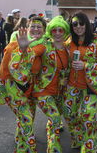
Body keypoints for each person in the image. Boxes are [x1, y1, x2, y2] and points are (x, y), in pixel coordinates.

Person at [16, 16, 70, 153]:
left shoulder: (68, 48)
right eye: (54, 30)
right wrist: (23, 49)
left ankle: (21, 140)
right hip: (42, 90)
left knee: (43, 119)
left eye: (61, 30)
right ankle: (53, 149)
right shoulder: (45, 45)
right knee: (55, 118)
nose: (57, 33)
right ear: (50, 32)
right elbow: (32, 54)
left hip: (59, 91)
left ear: (65, 32)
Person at [0, 16, 47, 153]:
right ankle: (28, 148)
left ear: (44, 30)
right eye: (32, 26)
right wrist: (22, 49)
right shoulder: (14, 44)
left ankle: (20, 141)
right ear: (27, 28)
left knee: (27, 117)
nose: (35, 29)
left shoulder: (43, 45)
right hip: (12, 86)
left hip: (29, 87)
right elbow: (11, 66)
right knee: (26, 118)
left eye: (39, 27)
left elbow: (36, 54)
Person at [62, 11, 97, 153]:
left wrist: (86, 66)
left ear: (87, 24)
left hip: (91, 87)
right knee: (68, 113)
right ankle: (78, 138)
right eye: (75, 24)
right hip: (72, 85)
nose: (78, 27)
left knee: (87, 116)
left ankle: (89, 146)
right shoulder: (69, 41)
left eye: (81, 23)